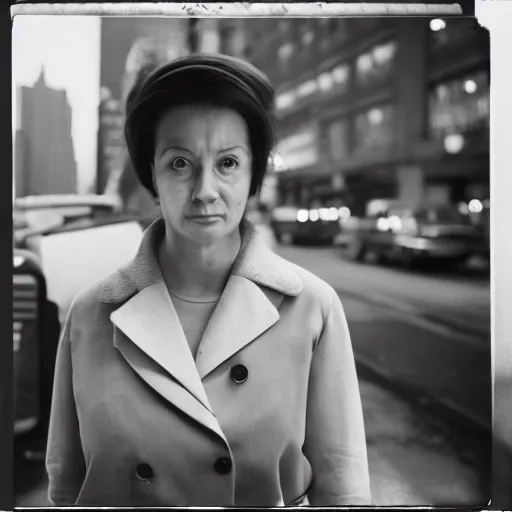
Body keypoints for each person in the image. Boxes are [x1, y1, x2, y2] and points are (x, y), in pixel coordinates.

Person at [45, 53, 371, 507]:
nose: (204, 191)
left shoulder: (313, 306)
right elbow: (66, 485)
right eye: (180, 164)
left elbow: (343, 487)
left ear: (253, 174)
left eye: (228, 163)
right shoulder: (91, 312)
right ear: (152, 176)